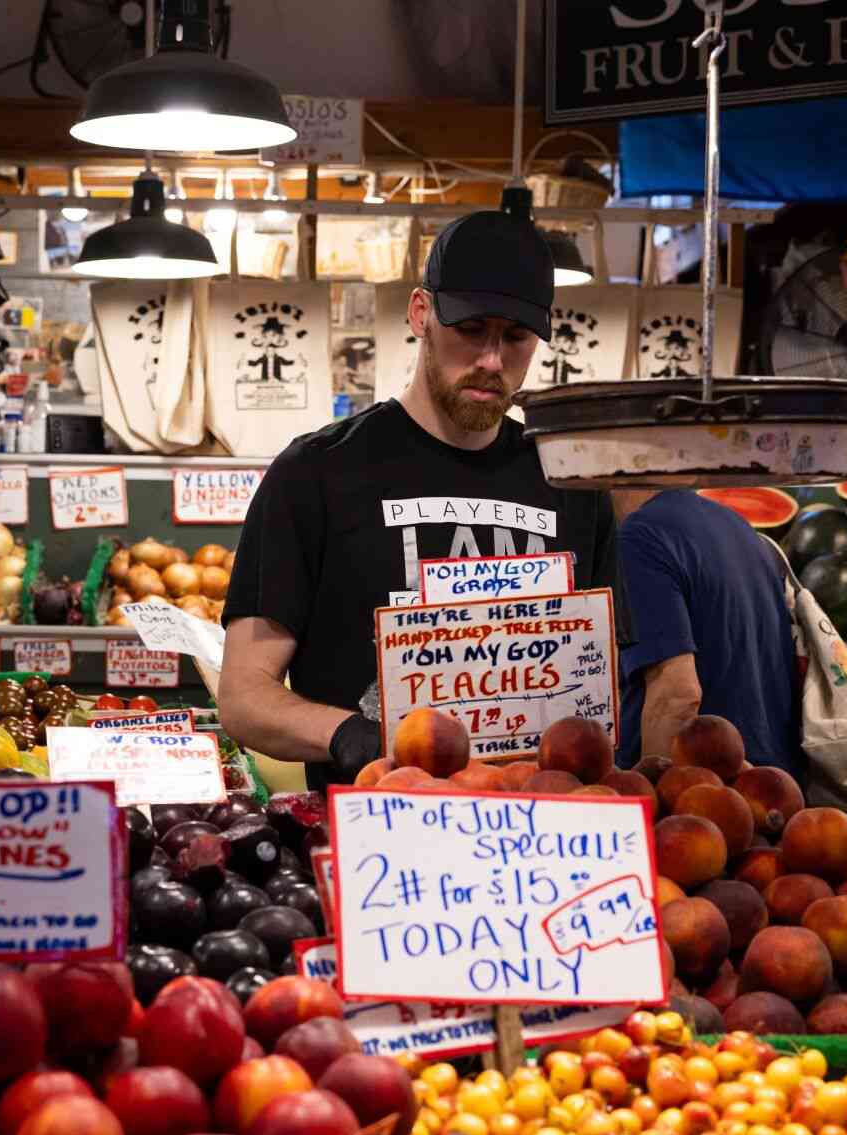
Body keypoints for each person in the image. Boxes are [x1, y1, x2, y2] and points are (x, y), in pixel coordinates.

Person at [218, 207, 626, 790]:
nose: (491, 360)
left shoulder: (572, 484)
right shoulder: (314, 473)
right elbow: (243, 695)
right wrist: (350, 735)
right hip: (378, 834)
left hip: (538, 836)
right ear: (420, 313)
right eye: (470, 329)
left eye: (515, 338)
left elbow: (606, 679)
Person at [615, 489, 803, 777]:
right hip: (768, 786)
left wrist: (654, 802)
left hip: (707, 793)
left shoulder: (638, 538)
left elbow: (677, 695)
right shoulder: (739, 527)